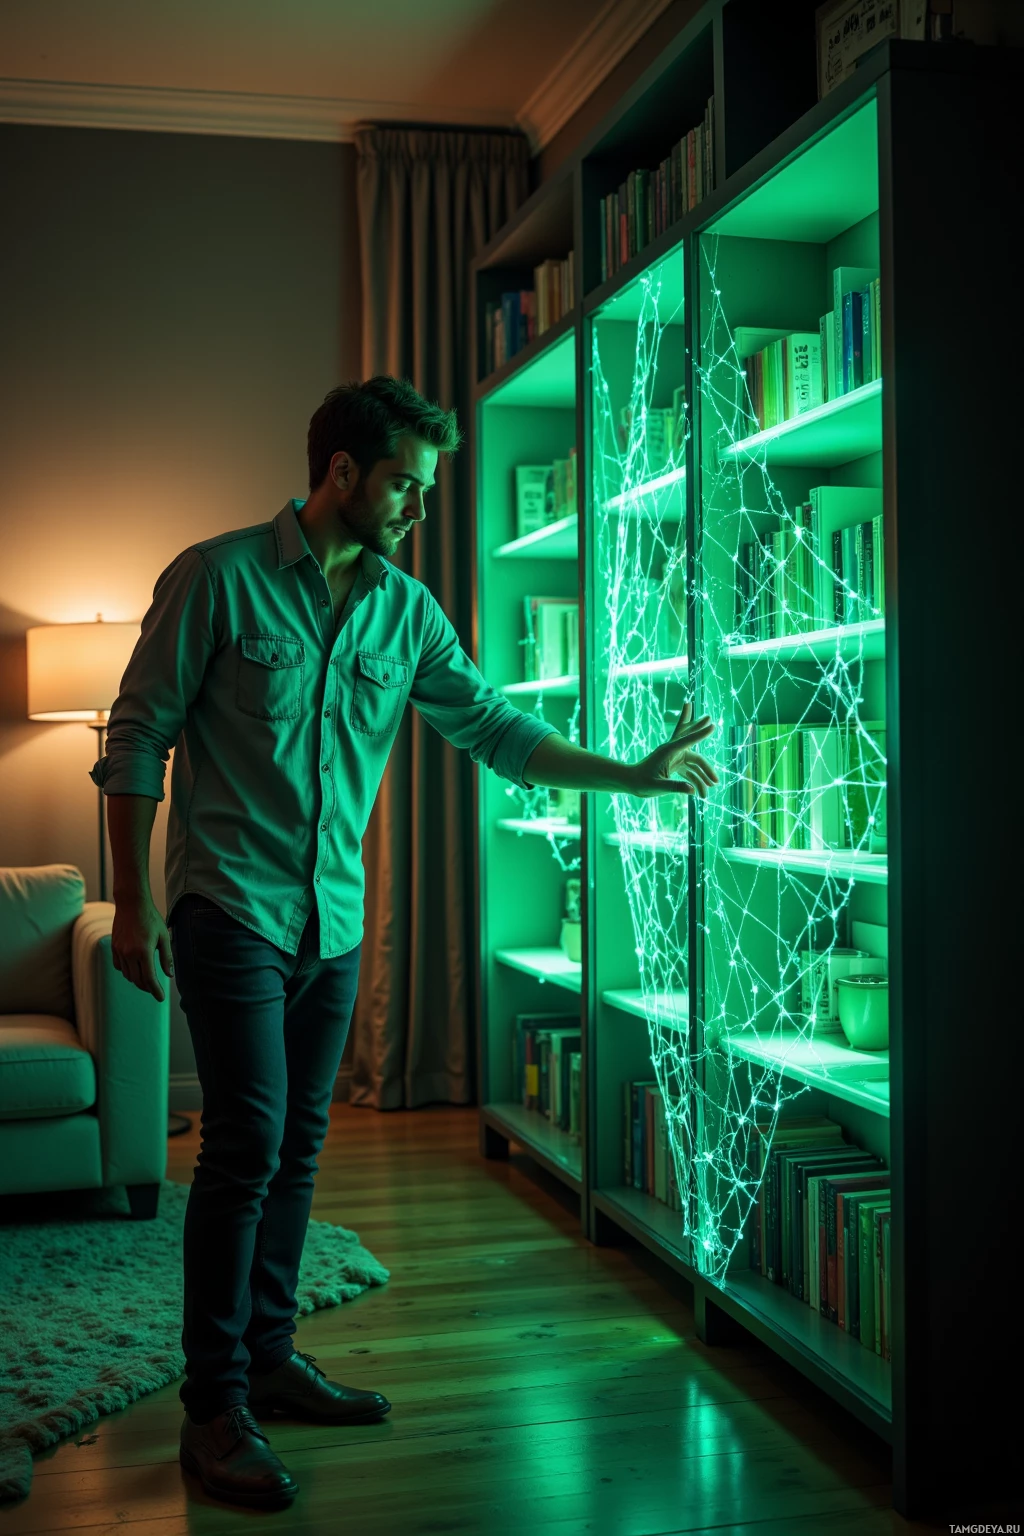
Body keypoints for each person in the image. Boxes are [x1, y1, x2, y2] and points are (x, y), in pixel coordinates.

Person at [92, 376, 717, 1510]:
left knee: (298, 1147)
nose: (420, 508)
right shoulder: (217, 577)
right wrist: (133, 907)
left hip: (332, 918)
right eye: (408, 486)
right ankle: (212, 1408)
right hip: (226, 909)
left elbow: (494, 730)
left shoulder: (404, 611)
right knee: (245, 1144)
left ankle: (272, 1362)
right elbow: (136, 737)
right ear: (344, 473)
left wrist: (629, 775)